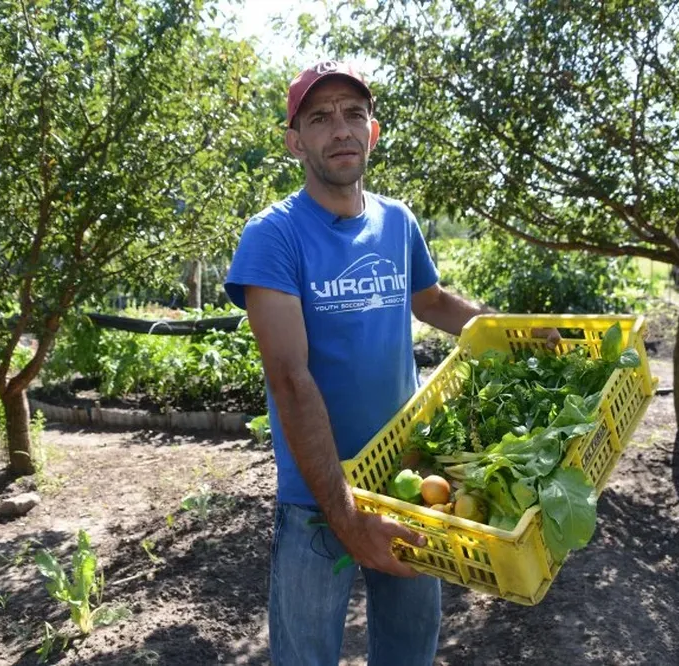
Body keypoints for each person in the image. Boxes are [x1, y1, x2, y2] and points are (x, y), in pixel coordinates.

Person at [224, 60, 558, 665]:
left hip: (406, 481)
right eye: (320, 118)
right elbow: (290, 382)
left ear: (373, 132)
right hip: (316, 501)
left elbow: (430, 301)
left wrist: (514, 333)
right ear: (295, 142)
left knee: (408, 652)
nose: (341, 129)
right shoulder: (273, 236)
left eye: (354, 114)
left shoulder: (397, 222)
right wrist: (347, 518)